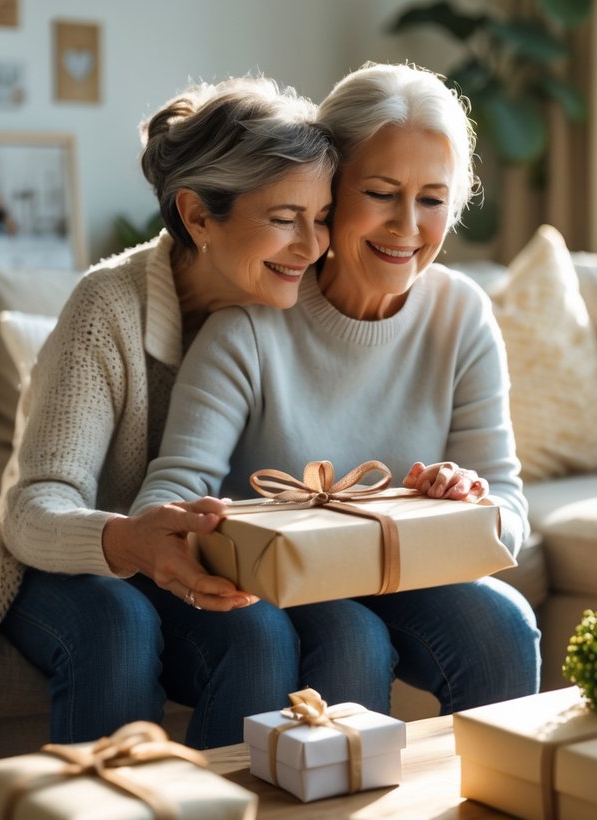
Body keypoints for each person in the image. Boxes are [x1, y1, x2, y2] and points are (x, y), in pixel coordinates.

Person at [0, 77, 396, 750]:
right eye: (283, 218)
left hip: (205, 562)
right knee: (119, 620)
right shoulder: (107, 309)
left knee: (306, 631)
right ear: (198, 216)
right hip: (73, 565)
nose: (313, 245)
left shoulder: (298, 304)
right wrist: (128, 541)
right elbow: (34, 506)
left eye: (321, 215)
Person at [135, 63, 541, 720]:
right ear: (327, 191)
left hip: (403, 571)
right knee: (352, 640)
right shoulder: (248, 327)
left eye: (433, 199)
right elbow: (169, 496)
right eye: (381, 192)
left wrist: (465, 501)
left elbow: (510, 514)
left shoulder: (461, 313)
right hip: (279, 582)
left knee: (501, 626)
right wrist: (209, 535)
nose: (407, 226)